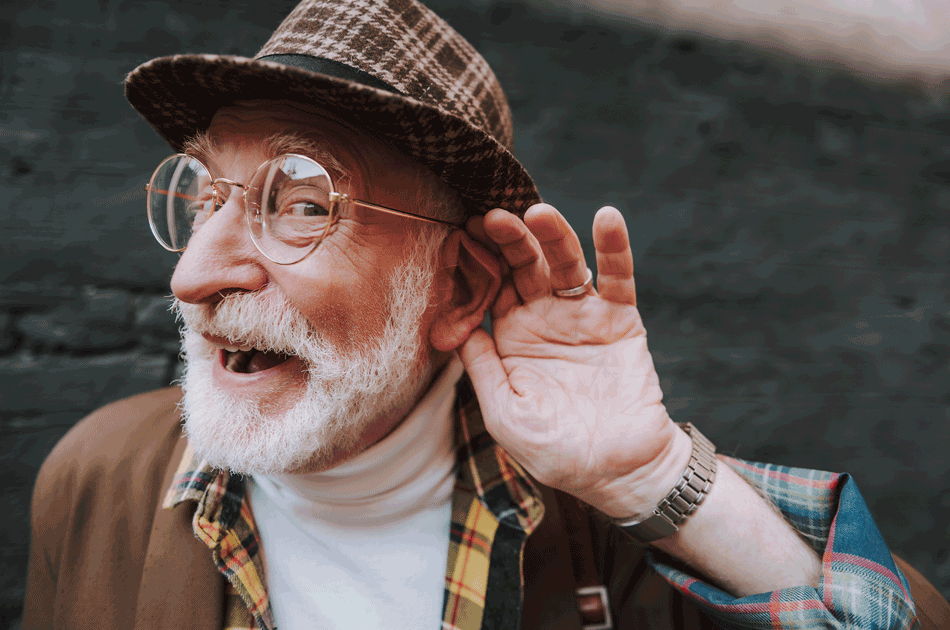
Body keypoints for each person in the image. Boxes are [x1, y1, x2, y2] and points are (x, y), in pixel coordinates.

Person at [21, 0, 932, 628]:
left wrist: (654, 477)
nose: (195, 273)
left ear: (454, 289)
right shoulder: (97, 481)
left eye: (300, 203)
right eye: (204, 196)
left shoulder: (598, 532)